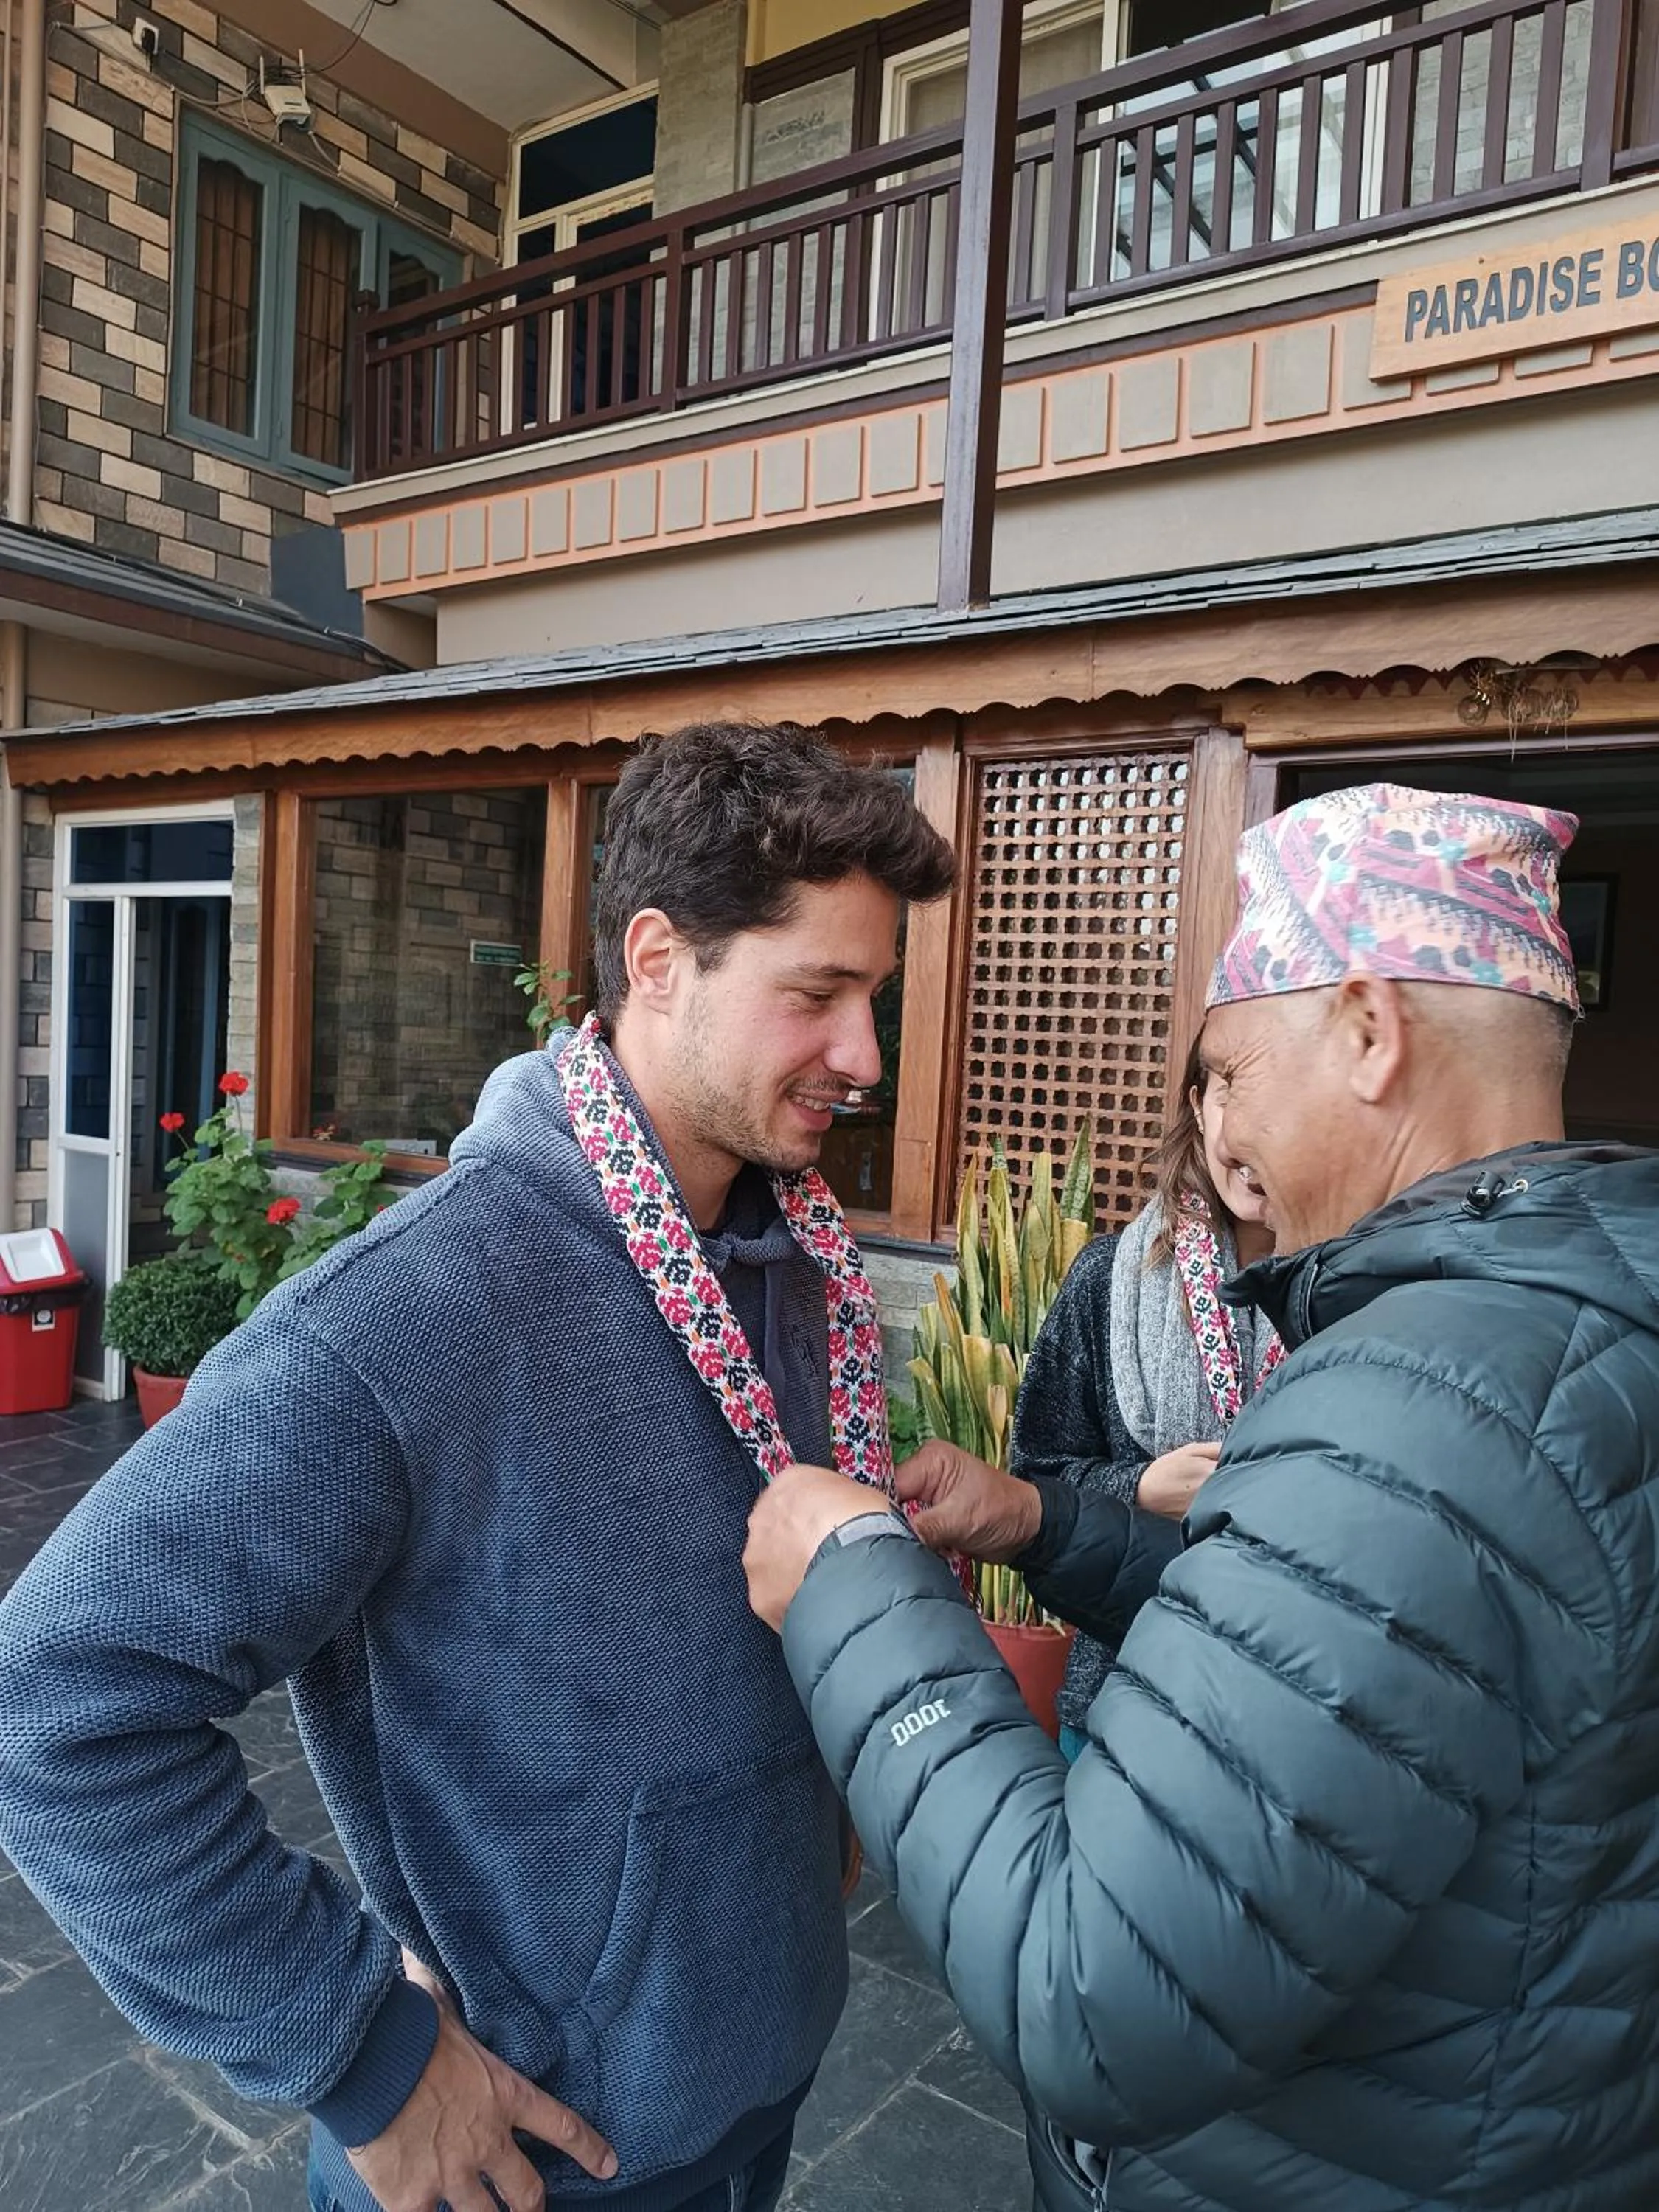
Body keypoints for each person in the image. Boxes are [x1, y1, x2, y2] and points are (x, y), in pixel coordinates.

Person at [0, 723, 953, 2212]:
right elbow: (61, 1694)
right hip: (527, 2154)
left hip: (758, 2073)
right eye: (818, 995)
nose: (865, 1057)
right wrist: (360, 2056)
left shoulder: (795, 1268)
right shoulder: (411, 1314)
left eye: (874, 998)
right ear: (656, 960)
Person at [743, 782, 1659, 2210]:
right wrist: (1048, 1523)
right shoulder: (1582, 1323)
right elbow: (1380, 1670)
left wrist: (857, 1587)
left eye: (1235, 1064)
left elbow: (1101, 2000)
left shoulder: (1418, 1395)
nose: (1224, 1130)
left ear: (1369, 1032)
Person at [1012, 1036, 1279, 1761]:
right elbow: (1033, 1479)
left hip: (1289, 1721)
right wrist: (1139, 1487)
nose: (1252, 1130)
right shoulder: (1114, 1280)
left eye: (1283, 1098)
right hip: (1121, 1702)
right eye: (1230, 1094)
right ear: (1197, 1106)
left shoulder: (1350, 1295)